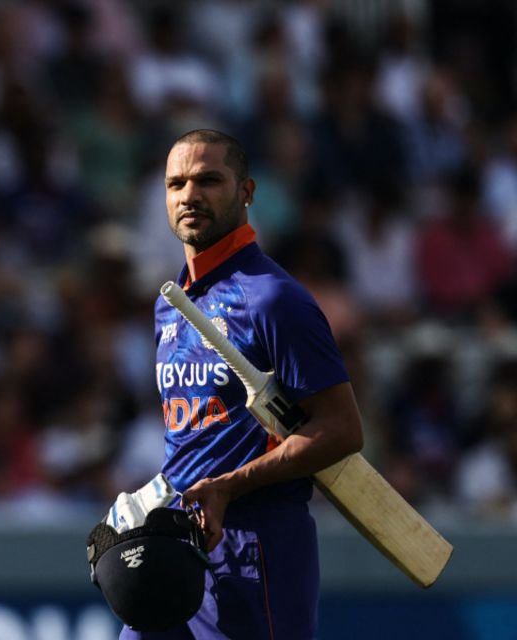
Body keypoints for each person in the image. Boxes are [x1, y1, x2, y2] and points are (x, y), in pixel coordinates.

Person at [127, 129, 363, 639]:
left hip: (257, 547)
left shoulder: (274, 300)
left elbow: (343, 429)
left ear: (247, 191)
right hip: (178, 542)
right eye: (176, 184)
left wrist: (229, 487)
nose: (189, 195)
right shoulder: (169, 303)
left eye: (209, 180)